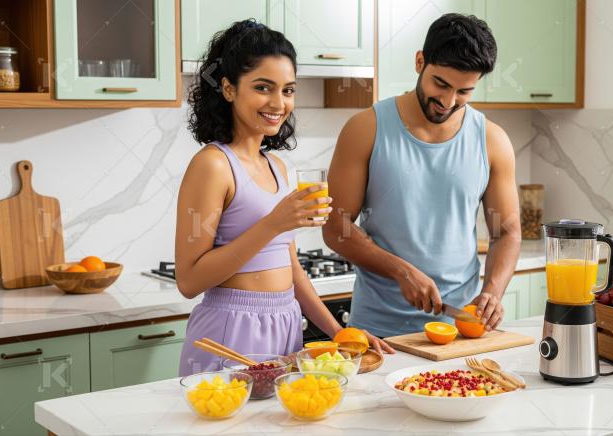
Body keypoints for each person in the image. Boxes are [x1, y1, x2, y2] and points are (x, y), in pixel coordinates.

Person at [176, 20, 391, 376]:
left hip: (286, 323)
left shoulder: (279, 167)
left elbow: (292, 270)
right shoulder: (213, 165)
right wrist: (274, 222)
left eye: (288, 90)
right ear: (228, 89)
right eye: (263, 88)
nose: (279, 103)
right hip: (231, 327)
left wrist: (339, 333)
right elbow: (189, 280)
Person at [323, 13, 522, 338]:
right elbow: (336, 227)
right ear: (420, 62)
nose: (448, 101)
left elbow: (508, 231)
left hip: (458, 332)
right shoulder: (366, 129)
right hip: (379, 335)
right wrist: (401, 271)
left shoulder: (492, 140)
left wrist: (493, 291)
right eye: (440, 84)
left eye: (464, 92)